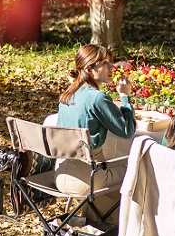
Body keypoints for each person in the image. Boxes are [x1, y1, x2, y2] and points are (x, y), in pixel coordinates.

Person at [54, 45, 136, 220]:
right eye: (105, 63)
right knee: (137, 174)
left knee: (107, 190)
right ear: (88, 68)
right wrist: (125, 97)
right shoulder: (97, 98)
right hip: (89, 177)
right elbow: (127, 130)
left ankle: (94, 232)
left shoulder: (66, 96)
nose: (112, 68)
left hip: (61, 174)